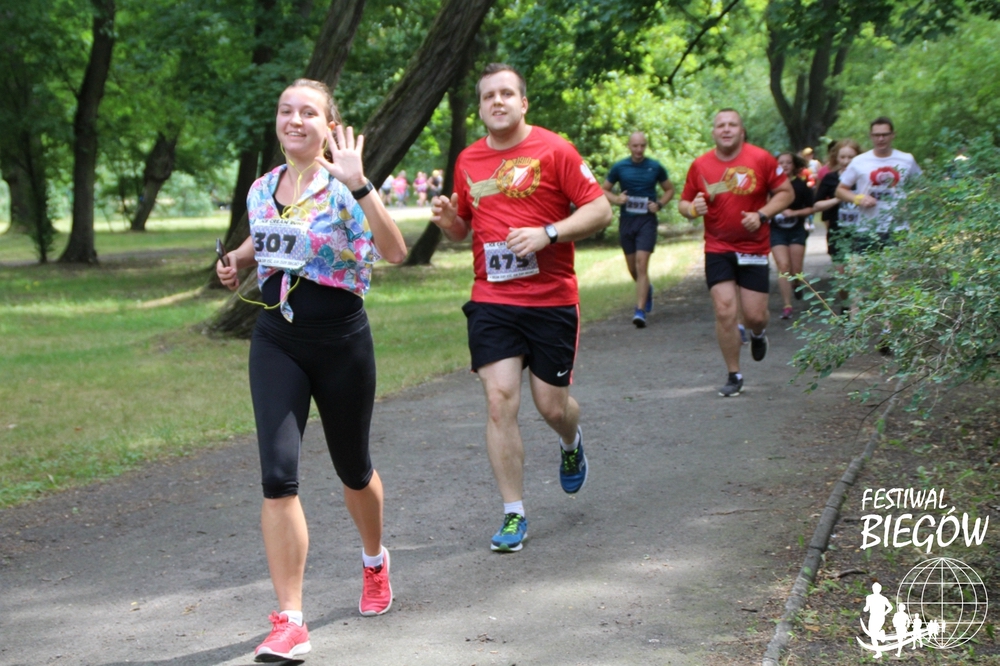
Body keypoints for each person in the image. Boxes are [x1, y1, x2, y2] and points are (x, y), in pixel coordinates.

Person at [215, 78, 407, 663]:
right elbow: (265, 236)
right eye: (285, 111)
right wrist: (237, 259)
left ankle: (374, 561)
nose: (294, 120)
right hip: (277, 341)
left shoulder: (345, 187)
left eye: (308, 112)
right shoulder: (262, 188)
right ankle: (290, 620)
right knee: (278, 477)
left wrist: (361, 183)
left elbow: (395, 252)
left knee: (354, 469)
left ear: (329, 126)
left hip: (342, 343)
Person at [430, 63, 612, 553]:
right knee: (499, 401)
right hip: (493, 299)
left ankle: (571, 442)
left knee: (551, 406)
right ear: (480, 107)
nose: (497, 101)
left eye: (507, 93)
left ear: (523, 102)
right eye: (489, 95)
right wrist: (448, 221)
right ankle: (514, 513)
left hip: (551, 299)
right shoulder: (468, 159)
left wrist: (548, 233)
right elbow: (463, 228)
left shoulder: (555, 149)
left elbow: (600, 210)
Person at [677, 109, 794, 397]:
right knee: (725, 310)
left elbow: (786, 193)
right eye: (721, 125)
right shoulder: (700, 164)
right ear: (713, 132)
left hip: (753, 248)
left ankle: (758, 333)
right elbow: (683, 203)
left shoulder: (761, 159)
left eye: (732, 125)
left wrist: (762, 214)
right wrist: (693, 209)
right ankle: (734, 374)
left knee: (755, 316)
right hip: (718, 247)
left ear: (741, 131)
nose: (726, 129)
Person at [602, 131, 675, 328]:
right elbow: (603, 189)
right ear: (629, 146)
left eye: (642, 145)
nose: (639, 150)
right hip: (627, 221)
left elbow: (669, 189)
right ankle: (646, 289)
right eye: (635, 146)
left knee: (642, 265)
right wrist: (617, 199)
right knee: (633, 268)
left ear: (646, 146)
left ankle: (640, 311)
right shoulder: (620, 167)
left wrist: (659, 204)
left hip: (647, 221)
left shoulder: (655, 166)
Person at [835, 116, 922, 252]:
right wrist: (858, 198)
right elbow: (840, 191)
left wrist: (910, 200)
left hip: (897, 227)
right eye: (876, 135)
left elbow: (921, 186)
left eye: (885, 135)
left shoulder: (906, 159)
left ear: (893, 135)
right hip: (867, 227)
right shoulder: (859, 161)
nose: (881, 139)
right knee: (866, 265)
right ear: (871, 136)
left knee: (896, 265)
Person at [813, 139, 861, 310]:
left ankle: (856, 314)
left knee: (855, 274)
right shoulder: (830, 178)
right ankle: (846, 306)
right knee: (842, 279)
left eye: (850, 157)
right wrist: (838, 198)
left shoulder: (864, 177)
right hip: (837, 233)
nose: (846, 161)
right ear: (836, 158)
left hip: (860, 233)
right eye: (842, 157)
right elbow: (816, 205)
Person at [771, 152, 814, 319]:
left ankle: (796, 283)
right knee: (783, 267)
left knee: (796, 270)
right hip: (777, 231)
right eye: (781, 162)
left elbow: (811, 208)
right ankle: (787, 306)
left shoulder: (801, 185)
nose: (785, 165)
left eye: (788, 162)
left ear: (794, 165)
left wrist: (794, 213)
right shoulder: (771, 186)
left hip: (796, 230)